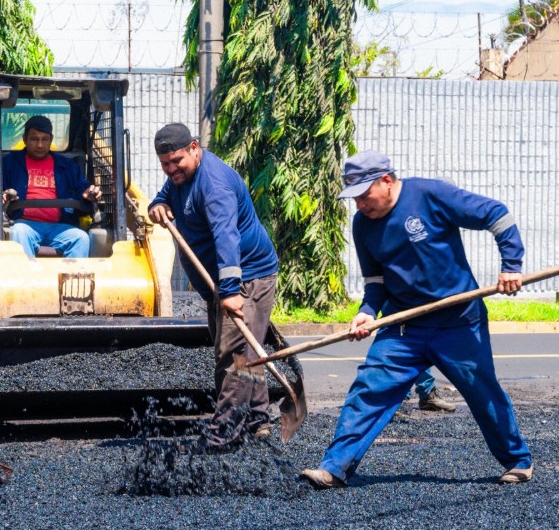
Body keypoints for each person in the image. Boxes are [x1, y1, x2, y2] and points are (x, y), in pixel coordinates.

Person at [300, 151, 534, 489]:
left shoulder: (431, 195)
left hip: (458, 321)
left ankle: (518, 460)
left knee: (482, 391)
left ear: (386, 180)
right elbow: (376, 281)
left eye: (365, 195)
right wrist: (367, 311)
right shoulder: (363, 224)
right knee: (369, 389)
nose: (360, 205)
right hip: (403, 326)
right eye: (354, 199)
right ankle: (334, 467)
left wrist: (511, 265)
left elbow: (496, 214)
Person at [147, 123, 280, 449]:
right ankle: (258, 418)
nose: (171, 169)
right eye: (164, 164)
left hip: (247, 277)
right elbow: (166, 193)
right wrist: (157, 205)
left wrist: (232, 290)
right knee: (248, 351)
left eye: (176, 161)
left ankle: (223, 434)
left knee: (233, 356)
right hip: (219, 284)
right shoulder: (182, 176)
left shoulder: (214, 184)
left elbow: (226, 238)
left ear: (194, 147)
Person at [1, 115, 99, 258]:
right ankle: (27, 279)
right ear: (24, 139)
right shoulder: (9, 163)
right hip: (25, 225)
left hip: (60, 227)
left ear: (51, 140)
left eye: (44, 139)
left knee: (81, 238)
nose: (40, 145)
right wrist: (3, 195)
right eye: (34, 139)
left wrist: (88, 193)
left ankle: (72, 280)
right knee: (18, 233)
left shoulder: (67, 166)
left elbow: (82, 189)